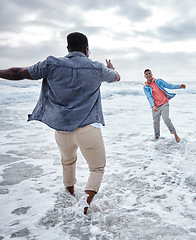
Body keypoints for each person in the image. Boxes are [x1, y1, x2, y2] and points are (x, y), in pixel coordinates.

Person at [0, 32, 120, 214]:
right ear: (87, 49)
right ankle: (84, 207)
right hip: (88, 129)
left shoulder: (51, 64)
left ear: (67, 49)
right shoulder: (96, 68)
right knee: (96, 168)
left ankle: (69, 196)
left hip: (62, 131)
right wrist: (112, 68)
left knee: (68, 162)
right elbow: (117, 77)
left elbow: (18, 73)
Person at [143, 69, 186, 142]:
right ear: (145, 76)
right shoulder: (146, 87)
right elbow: (149, 97)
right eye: (146, 74)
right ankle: (156, 138)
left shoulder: (158, 81)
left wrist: (179, 86)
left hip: (164, 103)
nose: (148, 75)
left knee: (166, 119)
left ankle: (175, 135)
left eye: (149, 73)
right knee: (155, 122)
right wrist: (153, 106)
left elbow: (169, 86)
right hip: (156, 106)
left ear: (152, 74)